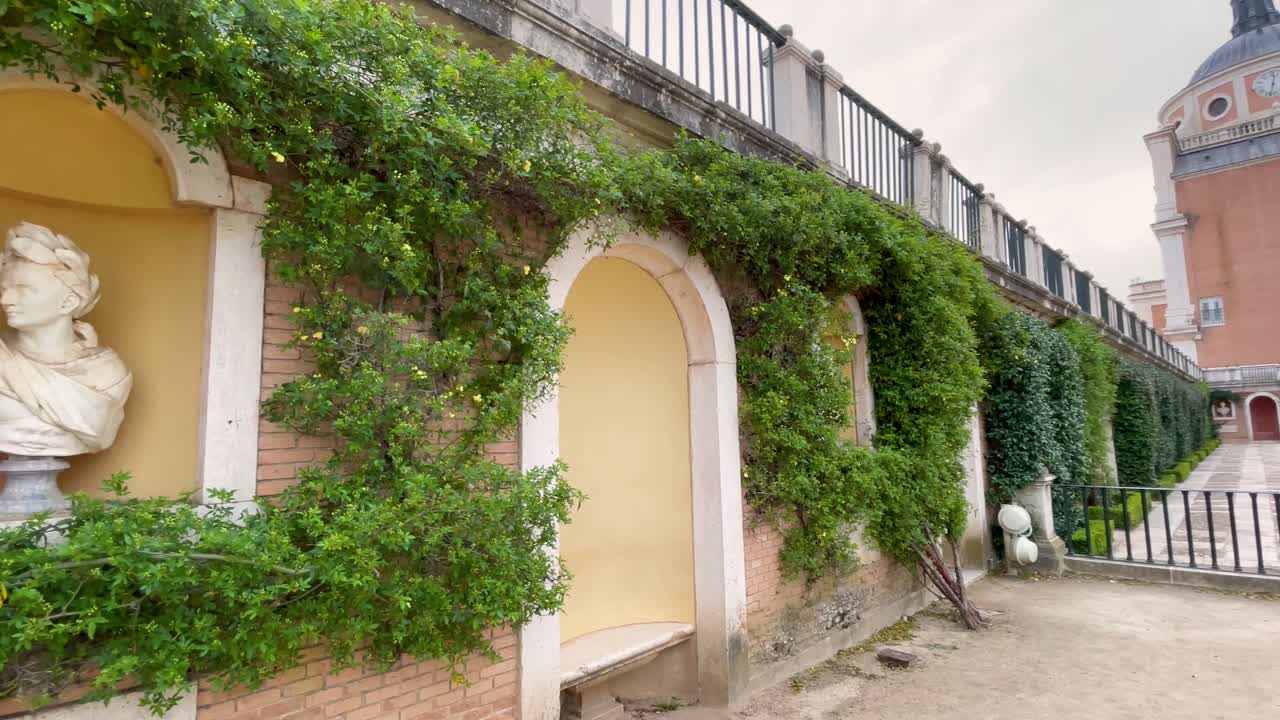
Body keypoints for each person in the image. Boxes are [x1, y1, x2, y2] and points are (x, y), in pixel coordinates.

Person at [0, 222, 131, 458]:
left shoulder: (107, 374)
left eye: (24, 289)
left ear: (68, 302)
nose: (6, 299)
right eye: (3, 289)